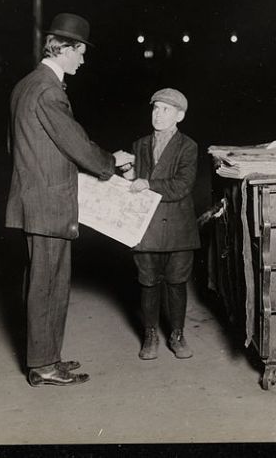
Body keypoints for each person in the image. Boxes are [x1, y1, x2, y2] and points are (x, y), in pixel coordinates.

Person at [6, 13, 135, 386]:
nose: (83, 59)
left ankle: (46, 357)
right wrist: (111, 163)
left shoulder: (25, 86)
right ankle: (44, 365)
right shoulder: (49, 90)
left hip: (35, 197)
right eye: (80, 51)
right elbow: (75, 143)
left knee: (42, 282)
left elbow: (18, 146)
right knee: (49, 284)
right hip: (49, 203)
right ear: (63, 49)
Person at [124, 88, 199, 360]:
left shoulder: (188, 147)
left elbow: (182, 185)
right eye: (155, 108)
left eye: (165, 109)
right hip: (147, 227)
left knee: (177, 282)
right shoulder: (140, 144)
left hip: (178, 227)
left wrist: (147, 184)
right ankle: (150, 334)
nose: (158, 114)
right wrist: (130, 174)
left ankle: (177, 335)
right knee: (148, 282)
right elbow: (138, 179)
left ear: (179, 115)